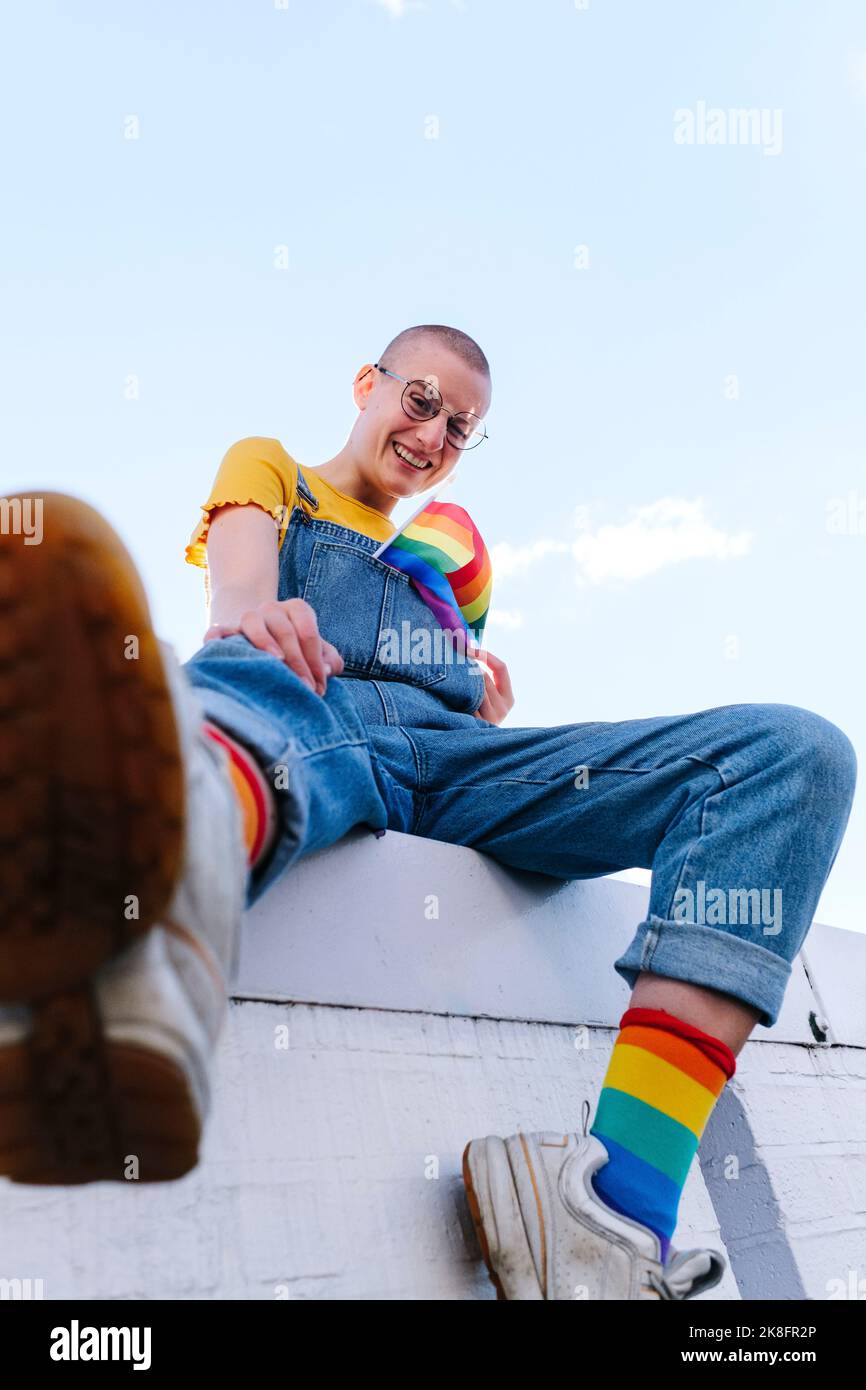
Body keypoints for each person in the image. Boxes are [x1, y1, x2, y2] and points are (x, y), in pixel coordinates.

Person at [0, 324, 856, 1302]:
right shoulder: (271, 465)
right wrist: (255, 612)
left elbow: (450, 693)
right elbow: (237, 586)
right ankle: (118, 944)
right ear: (367, 383)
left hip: (451, 764)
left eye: (461, 425)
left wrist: (469, 682)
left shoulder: (456, 549)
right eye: (420, 399)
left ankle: (613, 1216)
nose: (434, 430)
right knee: (252, 690)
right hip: (301, 689)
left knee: (794, 758)